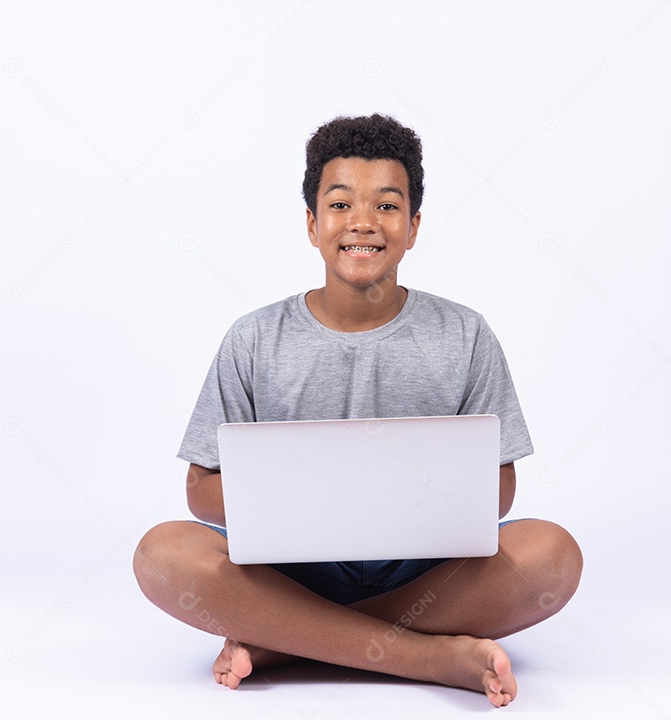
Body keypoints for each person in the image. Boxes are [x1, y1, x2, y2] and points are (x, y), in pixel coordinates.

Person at [133, 113, 582, 707]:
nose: (363, 223)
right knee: (162, 554)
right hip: (290, 571)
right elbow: (200, 489)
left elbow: (499, 489)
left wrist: (409, 497)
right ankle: (427, 655)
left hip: (425, 574)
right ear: (313, 225)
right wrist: (307, 496)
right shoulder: (253, 338)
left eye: (388, 206)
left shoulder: (465, 334)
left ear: (415, 226)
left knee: (551, 556)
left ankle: (286, 641)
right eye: (341, 205)